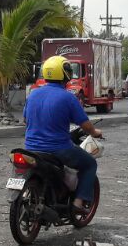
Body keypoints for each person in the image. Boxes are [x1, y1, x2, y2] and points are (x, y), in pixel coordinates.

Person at [24, 55, 104, 212]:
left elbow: (26, 120)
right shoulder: (68, 97)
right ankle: (78, 204)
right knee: (90, 164)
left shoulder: (33, 94)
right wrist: (95, 132)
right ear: (65, 74)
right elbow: (85, 124)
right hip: (58, 149)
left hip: (30, 148)